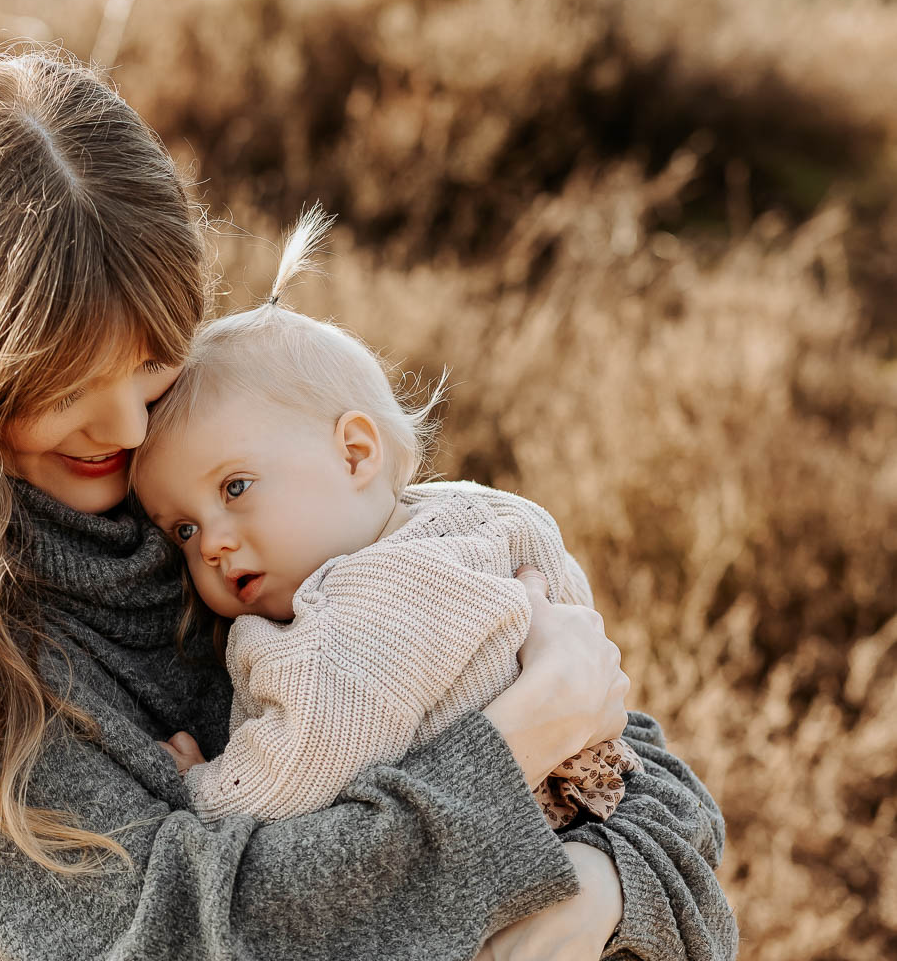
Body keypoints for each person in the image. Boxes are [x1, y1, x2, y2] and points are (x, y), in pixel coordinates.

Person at [0, 48, 738, 961]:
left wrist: (604, 890)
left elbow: (637, 772)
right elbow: (195, 936)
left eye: (152, 361)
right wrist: (509, 757)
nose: (123, 427)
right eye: (64, 386)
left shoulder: (228, 488)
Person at [130, 212, 642, 829]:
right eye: (182, 529)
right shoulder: (483, 514)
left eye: (235, 487)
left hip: (484, 863)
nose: (210, 544)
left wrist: (198, 788)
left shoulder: (369, 604)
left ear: (355, 454)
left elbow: (294, 771)